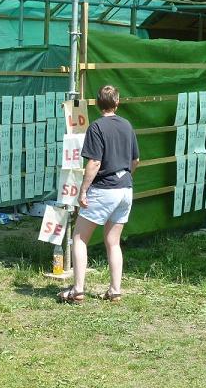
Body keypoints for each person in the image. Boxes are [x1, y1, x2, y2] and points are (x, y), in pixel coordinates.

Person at [58, 85, 140, 303]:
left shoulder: (96, 127)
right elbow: (135, 161)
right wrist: (124, 178)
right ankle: (115, 290)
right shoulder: (127, 125)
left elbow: (94, 162)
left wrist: (83, 190)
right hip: (125, 189)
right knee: (113, 241)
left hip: (104, 189)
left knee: (79, 238)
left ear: (97, 103)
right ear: (117, 102)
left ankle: (78, 290)